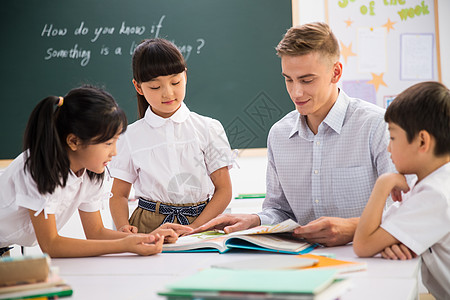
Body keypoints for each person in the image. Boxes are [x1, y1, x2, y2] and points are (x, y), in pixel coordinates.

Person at [192, 22, 395, 247]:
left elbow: (408, 207)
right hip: (300, 260)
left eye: (307, 80)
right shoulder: (279, 136)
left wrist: (354, 227)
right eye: (289, 79)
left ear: (335, 72)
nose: (296, 92)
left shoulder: (377, 126)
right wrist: (255, 220)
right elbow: (280, 211)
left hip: (368, 257)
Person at [0, 86, 187, 258]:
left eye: (116, 142)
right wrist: (125, 245)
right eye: (107, 143)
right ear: (73, 141)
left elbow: (95, 232)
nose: (114, 152)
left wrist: (145, 238)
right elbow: (51, 245)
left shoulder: (92, 172)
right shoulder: (38, 167)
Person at [109, 38, 233, 234]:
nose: (168, 93)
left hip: (202, 221)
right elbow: (118, 195)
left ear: (185, 76)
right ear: (138, 87)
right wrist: (123, 227)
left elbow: (224, 190)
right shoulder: (129, 136)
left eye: (175, 82)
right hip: (147, 225)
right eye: (155, 87)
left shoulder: (208, 128)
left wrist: (193, 227)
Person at [353, 81, 450, 298]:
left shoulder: (436, 194)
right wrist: (388, 239)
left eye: (393, 138)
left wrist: (383, 183)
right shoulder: (430, 183)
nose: (388, 147)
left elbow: (363, 244)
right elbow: (378, 233)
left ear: (422, 141)